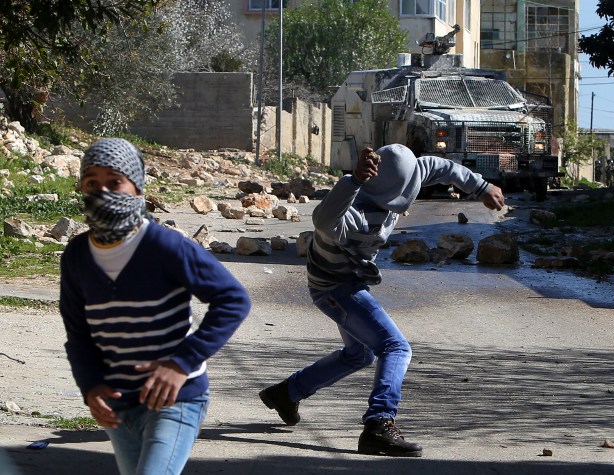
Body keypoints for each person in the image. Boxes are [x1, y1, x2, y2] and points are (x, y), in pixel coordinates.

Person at [259, 144, 505, 457]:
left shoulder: (409, 171)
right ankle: (378, 424)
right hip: (334, 289)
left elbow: (443, 168)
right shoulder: (352, 216)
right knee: (396, 346)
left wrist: (481, 186)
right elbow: (323, 218)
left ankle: (286, 393)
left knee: (359, 355)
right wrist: (353, 181)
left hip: (351, 282)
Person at [59, 138, 251, 475]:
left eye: (114, 181)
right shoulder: (76, 256)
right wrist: (90, 387)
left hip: (176, 400)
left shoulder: (165, 246)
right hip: (118, 407)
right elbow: (78, 333)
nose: (103, 191)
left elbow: (233, 299)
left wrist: (181, 363)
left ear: (137, 188)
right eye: (92, 182)